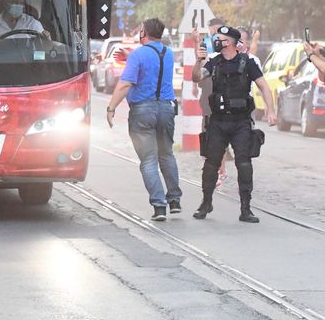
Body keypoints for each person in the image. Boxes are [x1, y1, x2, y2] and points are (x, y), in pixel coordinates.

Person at [192, 25, 277, 222]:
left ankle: (246, 209)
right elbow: (196, 78)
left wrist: (271, 111)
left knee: (244, 164)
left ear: (230, 42)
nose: (216, 40)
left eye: (219, 38)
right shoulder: (214, 62)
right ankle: (206, 203)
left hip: (240, 123)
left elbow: (264, 86)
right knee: (211, 163)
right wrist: (198, 61)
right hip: (218, 121)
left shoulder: (247, 62)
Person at [105, 18, 180, 221]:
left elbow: (124, 84)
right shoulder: (169, 53)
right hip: (166, 108)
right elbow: (154, 65)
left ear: (143, 33)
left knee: (148, 160)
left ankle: (159, 206)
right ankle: (174, 200)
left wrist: (111, 108)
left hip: (143, 111)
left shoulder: (138, 55)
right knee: (167, 154)